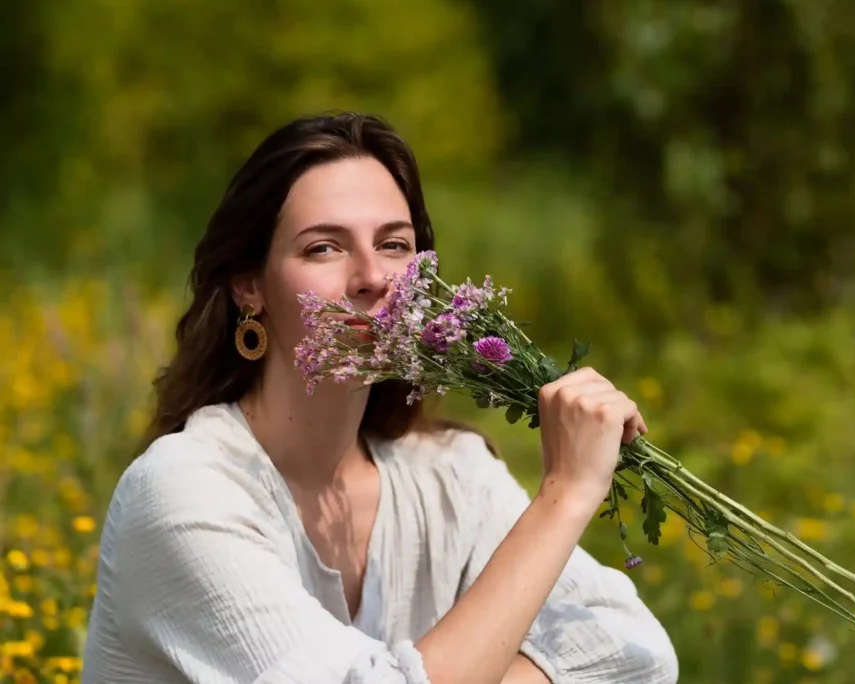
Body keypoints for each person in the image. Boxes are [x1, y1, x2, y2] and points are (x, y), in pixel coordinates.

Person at [81, 112, 679, 684]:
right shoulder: (182, 494)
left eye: (394, 245)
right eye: (323, 247)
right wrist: (566, 494)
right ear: (249, 286)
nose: (371, 276)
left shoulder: (451, 477)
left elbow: (641, 656)